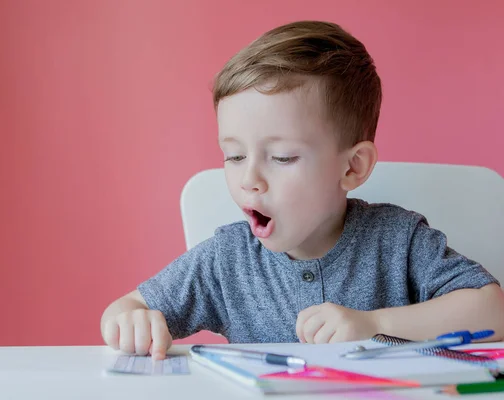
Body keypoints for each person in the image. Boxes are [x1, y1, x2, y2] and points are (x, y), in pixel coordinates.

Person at [101, 21, 504, 360]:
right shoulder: (226, 261)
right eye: (234, 156)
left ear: (352, 167)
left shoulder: (398, 241)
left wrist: (375, 323)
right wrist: (130, 320)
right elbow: (126, 308)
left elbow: (492, 310)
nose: (250, 180)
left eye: (281, 158)